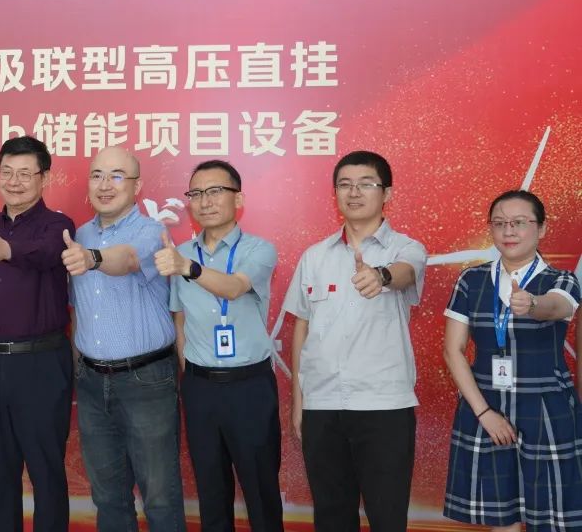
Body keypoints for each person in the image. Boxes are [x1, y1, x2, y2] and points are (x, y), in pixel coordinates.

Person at [281, 150, 427, 532]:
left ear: (387, 193)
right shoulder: (314, 257)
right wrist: (299, 401)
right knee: (331, 516)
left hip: (383, 405)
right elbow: (302, 328)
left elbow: (404, 273)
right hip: (322, 405)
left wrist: (380, 275)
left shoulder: (406, 248)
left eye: (366, 184)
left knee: (387, 517)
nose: (354, 192)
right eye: (344, 185)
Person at [443, 190, 582, 532]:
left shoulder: (561, 280)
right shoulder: (471, 280)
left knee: (552, 517)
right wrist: (484, 413)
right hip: (486, 404)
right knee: (500, 516)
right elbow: (453, 350)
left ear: (541, 229)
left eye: (520, 222)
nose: (509, 231)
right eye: (500, 223)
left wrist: (532, 304)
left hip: (546, 407)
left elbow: (557, 306)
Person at [62, 146, 185, 532]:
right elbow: (76, 310)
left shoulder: (151, 232)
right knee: (108, 497)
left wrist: (92, 259)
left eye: (116, 176)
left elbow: (128, 259)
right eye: (97, 175)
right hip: (92, 381)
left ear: (137, 185)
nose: (105, 185)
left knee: (160, 496)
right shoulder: (79, 235)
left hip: (146, 380)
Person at [155, 160, 282, 532]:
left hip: (249, 388)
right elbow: (179, 320)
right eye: (196, 193)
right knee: (211, 493)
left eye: (215, 191)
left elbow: (234, 287)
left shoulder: (259, 250)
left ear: (238, 199)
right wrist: (192, 375)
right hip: (200, 388)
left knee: (261, 493)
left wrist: (188, 268)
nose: (205, 201)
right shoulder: (180, 252)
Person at [0, 136, 75, 532]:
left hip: (40, 363)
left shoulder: (58, 225)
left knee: (46, 472)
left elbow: (46, 253)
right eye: (7, 172)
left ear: (44, 178)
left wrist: (6, 250)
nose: (15, 181)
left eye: (25, 173)